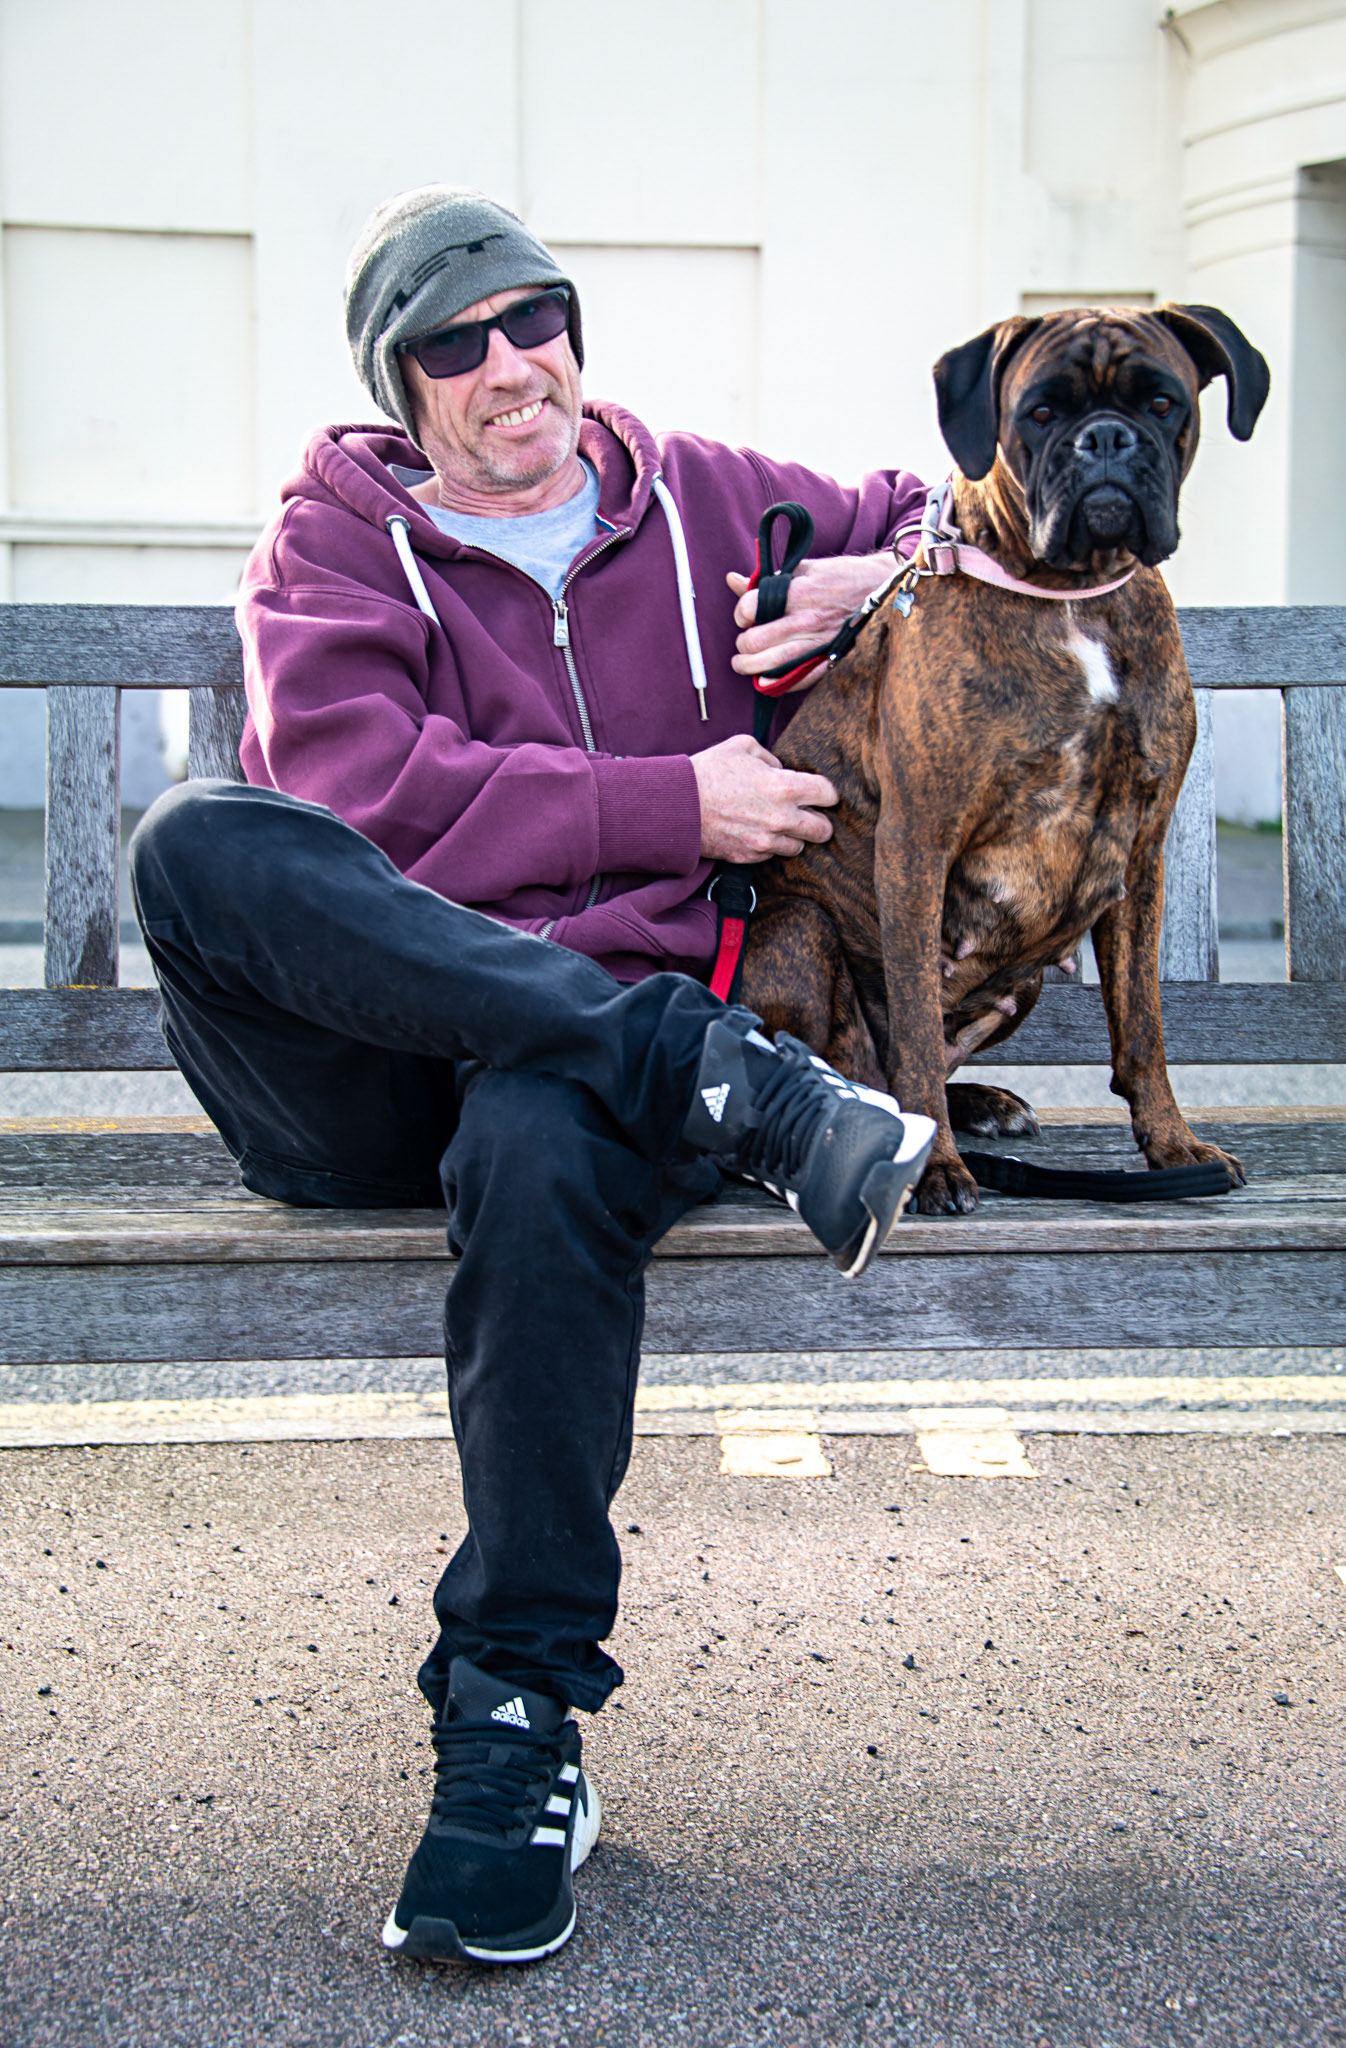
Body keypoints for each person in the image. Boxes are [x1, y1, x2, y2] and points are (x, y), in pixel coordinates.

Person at [129, 185, 935, 1967]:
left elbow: (969, 513)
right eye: (456, 343)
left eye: (533, 320)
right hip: (361, 1074)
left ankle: (510, 1725)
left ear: (572, 331)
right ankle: (711, 1073)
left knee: (544, 1115)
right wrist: (672, 802)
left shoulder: (707, 495)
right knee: (203, 840)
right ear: (400, 385)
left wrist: (867, 578)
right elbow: (367, 811)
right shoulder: (334, 547)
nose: (510, 367)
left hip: (560, 1104)